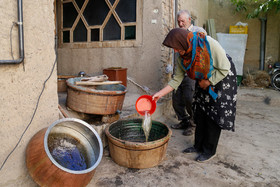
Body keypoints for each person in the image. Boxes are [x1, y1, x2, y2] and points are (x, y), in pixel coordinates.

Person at [153, 28, 237, 162]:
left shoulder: (208, 43)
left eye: (176, 47)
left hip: (221, 77)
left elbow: (225, 67)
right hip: (203, 78)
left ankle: (209, 151)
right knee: (200, 112)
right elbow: (177, 80)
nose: (175, 51)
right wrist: (159, 94)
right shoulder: (183, 58)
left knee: (212, 115)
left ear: (182, 42)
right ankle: (198, 146)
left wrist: (209, 81)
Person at [171, 10, 207, 136]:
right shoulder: (178, 33)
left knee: (189, 99)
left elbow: (203, 49)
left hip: (192, 74)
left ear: (189, 20)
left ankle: (193, 124)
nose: (180, 24)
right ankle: (184, 120)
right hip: (180, 71)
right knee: (176, 99)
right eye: (179, 21)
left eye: (183, 21)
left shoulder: (198, 30)